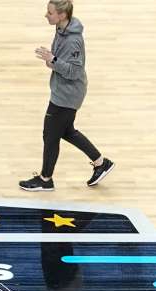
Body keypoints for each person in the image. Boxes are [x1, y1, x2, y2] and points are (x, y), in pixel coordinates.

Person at [19, 0, 114, 192]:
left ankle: (46, 179)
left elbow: (75, 71)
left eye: (50, 12)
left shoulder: (73, 40)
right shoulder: (61, 29)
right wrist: (52, 60)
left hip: (68, 95)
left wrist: (53, 60)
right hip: (63, 90)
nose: (46, 15)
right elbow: (60, 61)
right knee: (66, 131)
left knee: (50, 135)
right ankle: (100, 163)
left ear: (62, 15)